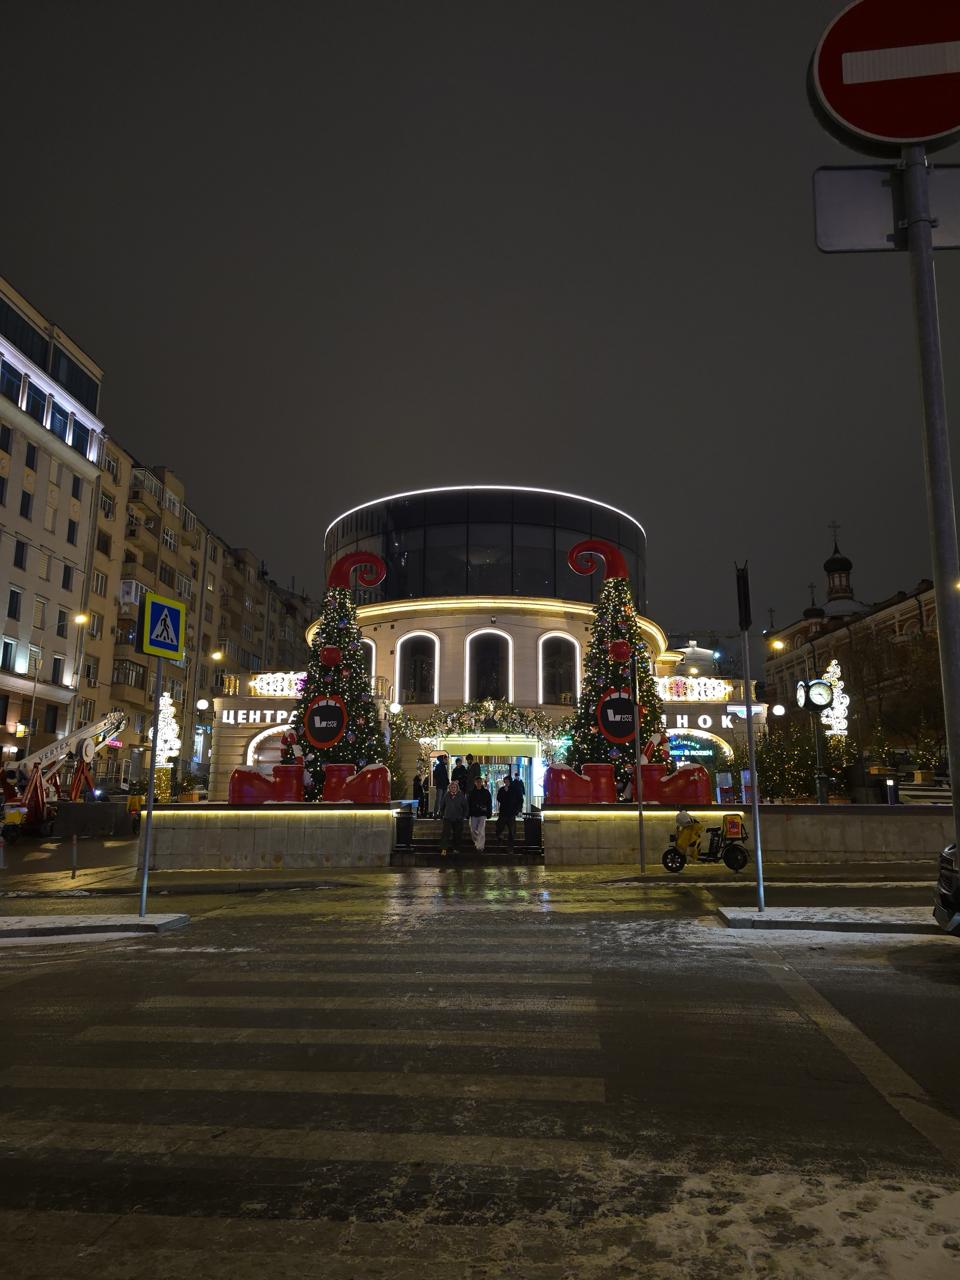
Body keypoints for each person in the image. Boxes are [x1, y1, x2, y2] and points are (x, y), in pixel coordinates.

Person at [439, 780, 469, 858]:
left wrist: (463, 816)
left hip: (458, 818)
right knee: (445, 834)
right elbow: (442, 806)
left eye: (454, 787)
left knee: (457, 834)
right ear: (449, 788)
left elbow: (465, 807)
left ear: (457, 788)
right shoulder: (446, 795)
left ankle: (456, 848)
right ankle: (444, 849)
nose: (453, 788)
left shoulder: (461, 796)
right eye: (451, 787)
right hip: (448, 818)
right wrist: (443, 814)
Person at [468, 775, 492, 851]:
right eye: (477, 782)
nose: (479, 783)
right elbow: (468, 803)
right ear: (475, 783)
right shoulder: (471, 792)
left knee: (481, 830)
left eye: (480, 782)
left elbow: (489, 803)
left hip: (482, 813)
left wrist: (489, 813)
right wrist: (468, 813)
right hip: (473, 813)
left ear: (482, 783)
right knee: (473, 830)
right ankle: (477, 842)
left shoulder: (486, 792)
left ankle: (480, 846)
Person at [496, 773, 518, 848]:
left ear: (510, 781)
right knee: (499, 827)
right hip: (503, 812)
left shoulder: (514, 789)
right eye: (505, 781)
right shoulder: (502, 789)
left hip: (511, 813)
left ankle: (510, 846)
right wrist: (505, 792)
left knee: (512, 831)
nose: (506, 783)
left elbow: (518, 800)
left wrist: (517, 810)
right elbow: (499, 798)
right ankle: (500, 839)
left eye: (507, 781)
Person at [432, 755, 449, 819]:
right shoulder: (440, 766)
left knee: (441, 800)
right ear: (442, 759)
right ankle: (437, 813)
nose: (446, 760)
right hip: (441, 786)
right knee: (439, 800)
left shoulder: (441, 766)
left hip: (442, 785)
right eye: (445, 759)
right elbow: (438, 776)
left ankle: (439, 813)